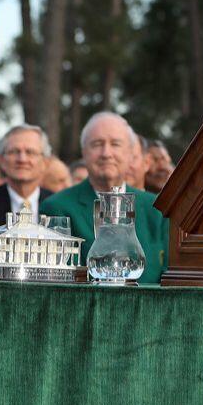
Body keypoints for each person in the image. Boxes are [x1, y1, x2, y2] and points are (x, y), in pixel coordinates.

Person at [41, 112, 169, 284]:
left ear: (131, 154)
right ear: (84, 152)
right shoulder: (56, 208)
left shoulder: (158, 208)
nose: (106, 153)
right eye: (97, 144)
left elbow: (171, 276)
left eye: (115, 144)